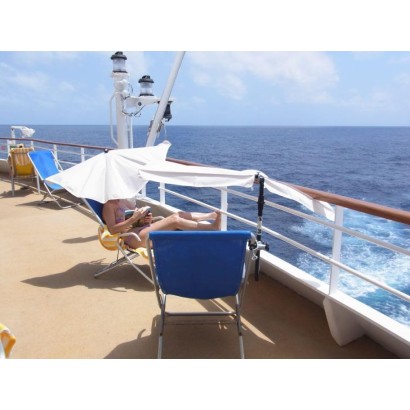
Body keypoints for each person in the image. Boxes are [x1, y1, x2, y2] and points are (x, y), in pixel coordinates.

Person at [102, 198, 221, 249]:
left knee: (179, 214)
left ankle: (209, 216)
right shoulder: (109, 205)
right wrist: (133, 219)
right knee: (174, 220)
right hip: (131, 237)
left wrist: (146, 219)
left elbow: (137, 219)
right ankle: (211, 227)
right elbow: (112, 230)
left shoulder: (124, 201)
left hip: (141, 230)